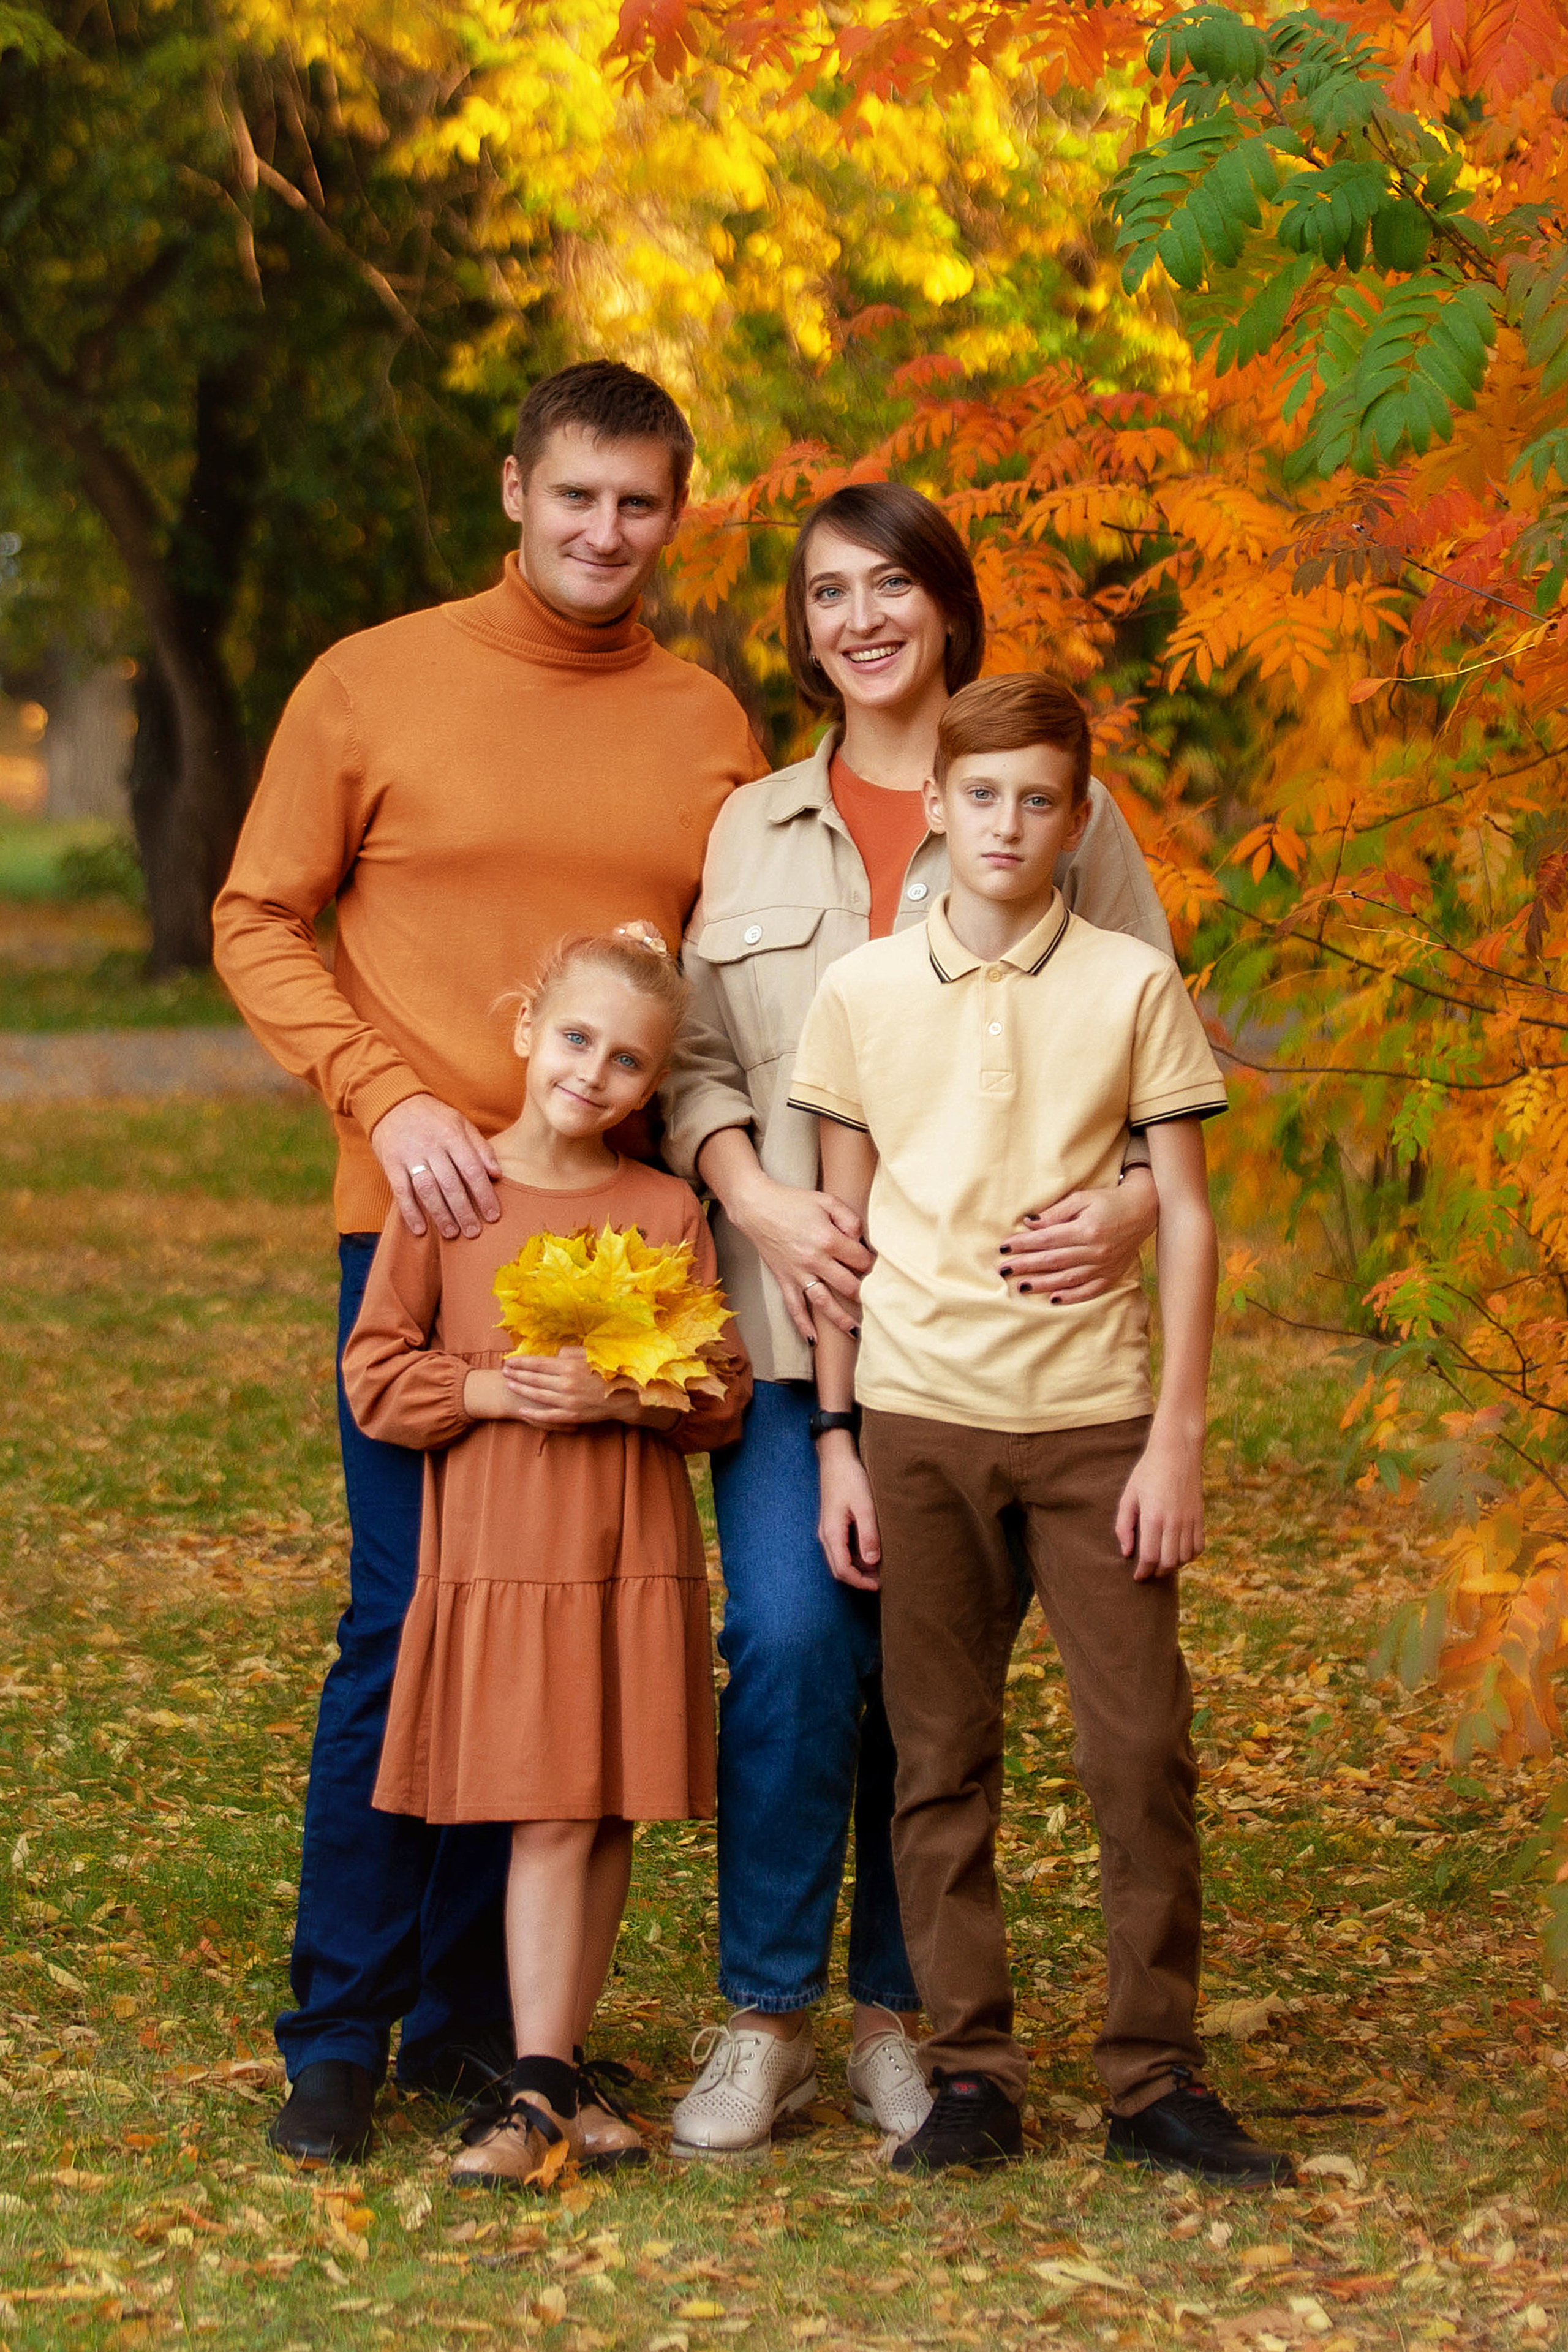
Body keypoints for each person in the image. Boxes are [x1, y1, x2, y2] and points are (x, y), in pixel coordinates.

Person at [213, 361, 765, 2162]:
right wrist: (387, 1097)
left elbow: (730, 1001)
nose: (605, 533)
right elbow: (257, 915)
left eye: (641, 504)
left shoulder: (707, 727)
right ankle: (341, 2029)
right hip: (422, 1229)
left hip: (614, 1248)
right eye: (576, 496)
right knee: (408, 1621)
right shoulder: (373, 681)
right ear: (515, 487)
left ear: (672, 515)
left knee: (551, 1640)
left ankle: (482, 2033)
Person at [658, 484, 1172, 2158]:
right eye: (826, 596)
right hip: (804, 1338)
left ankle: (914, 2024)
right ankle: (763, 2017)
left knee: (933, 1687)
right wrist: (755, 1195)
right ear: (801, 630)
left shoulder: (1059, 808)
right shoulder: (751, 827)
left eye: (893, 587)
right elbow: (699, 1061)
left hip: (1010, 1354)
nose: (861, 619)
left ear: (948, 605)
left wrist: (1127, 1212)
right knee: (799, 1648)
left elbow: (1159, 1080)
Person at [791, 673, 1294, 2185]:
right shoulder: (859, 993)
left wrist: (1176, 1438)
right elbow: (836, 1226)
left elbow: (1187, 1220)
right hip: (917, 1418)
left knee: (1138, 1749)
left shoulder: (1130, 985)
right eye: (981, 794)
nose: (1008, 822)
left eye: (1040, 799)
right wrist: (832, 1438)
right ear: (934, 807)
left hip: (1091, 1423)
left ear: (1077, 823)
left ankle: (1153, 2079)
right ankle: (969, 2075)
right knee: (936, 1754)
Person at [341, 929, 750, 2179]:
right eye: (575, 1039)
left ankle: (554, 2081)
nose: (594, 1073)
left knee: (603, 1810)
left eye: (629, 1061)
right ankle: (533, 2097)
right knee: (545, 1820)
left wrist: (622, 1401)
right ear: (526, 1029)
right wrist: (493, 1392)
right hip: (508, 1557)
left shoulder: (665, 1208)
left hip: (628, 1555)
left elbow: (721, 1396)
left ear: (653, 1083)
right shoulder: (450, 1194)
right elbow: (375, 1377)